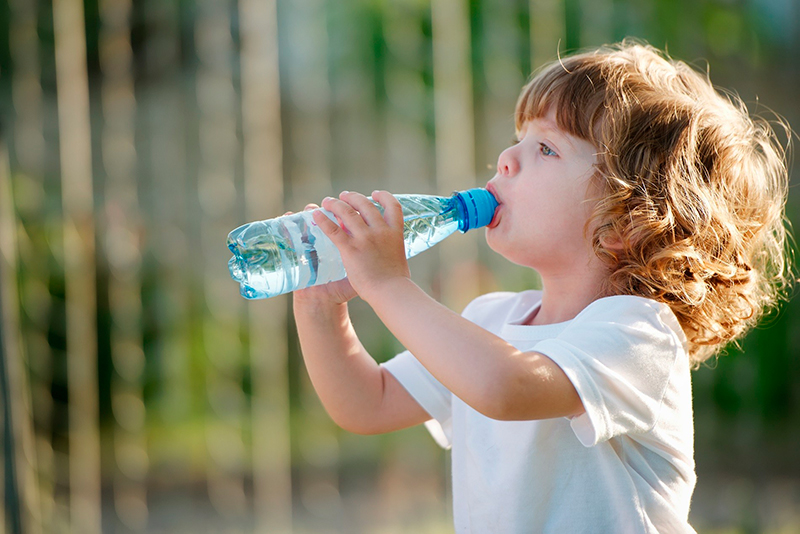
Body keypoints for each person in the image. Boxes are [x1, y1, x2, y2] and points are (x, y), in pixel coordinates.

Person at [291, 40, 792, 533]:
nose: (507, 157)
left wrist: (387, 285)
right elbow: (366, 402)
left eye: (546, 148)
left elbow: (505, 388)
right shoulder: (488, 321)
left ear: (627, 221)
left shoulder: (639, 335)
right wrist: (319, 308)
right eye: (519, 138)